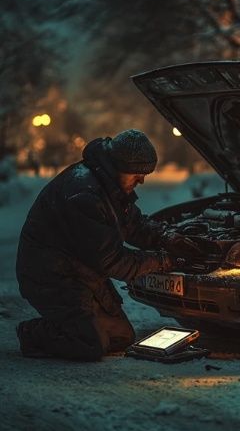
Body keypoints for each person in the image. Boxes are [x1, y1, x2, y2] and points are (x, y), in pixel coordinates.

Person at [16, 129, 196, 361]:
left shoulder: (109, 185)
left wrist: (170, 239)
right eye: (137, 173)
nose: (141, 180)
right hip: (50, 275)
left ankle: (77, 327)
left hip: (81, 272)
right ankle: (33, 334)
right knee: (90, 345)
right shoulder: (83, 194)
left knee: (121, 337)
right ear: (118, 166)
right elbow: (113, 261)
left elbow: (134, 224)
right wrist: (164, 261)